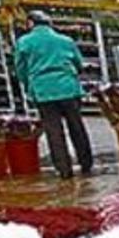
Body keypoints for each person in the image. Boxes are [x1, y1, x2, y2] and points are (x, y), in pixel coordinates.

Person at [14, 10, 92, 179]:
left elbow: (20, 70)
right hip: (68, 88)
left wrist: (29, 86)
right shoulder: (66, 40)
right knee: (77, 127)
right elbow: (79, 64)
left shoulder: (24, 42)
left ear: (30, 24)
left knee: (54, 131)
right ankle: (86, 164)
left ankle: (64, 170)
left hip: (43, 91)